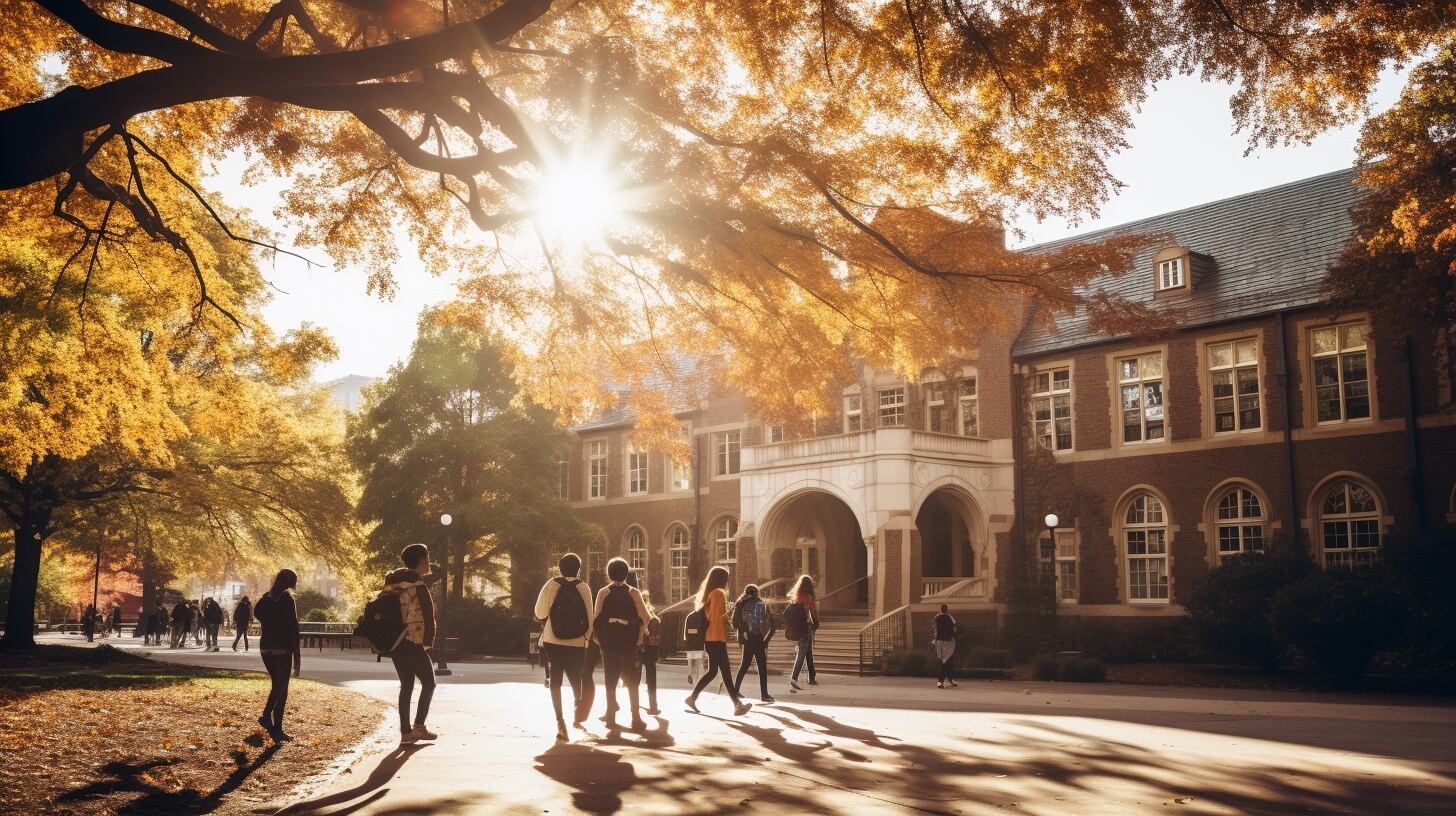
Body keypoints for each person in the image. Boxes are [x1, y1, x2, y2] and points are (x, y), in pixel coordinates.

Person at [533, 552, 595, 742]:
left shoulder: (552, 584)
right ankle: (578, 705)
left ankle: (560, 722)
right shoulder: (584, 587)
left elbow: (539, 611)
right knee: (576, 676)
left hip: (554, 638)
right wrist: (585, 638)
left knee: (556, 680)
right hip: (577, 641)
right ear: (579, 569)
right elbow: (590, 618)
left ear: (560, 568)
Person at [381, 543, 439, 743]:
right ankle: (419, 726)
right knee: (429, 683)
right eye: (427, 557)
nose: (429, 561)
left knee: (406, 684)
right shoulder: (418, 585)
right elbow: (429, 614)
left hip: (395, 641)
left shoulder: (391, 585)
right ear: (422, 560)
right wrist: (428, 642)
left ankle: (406, 732)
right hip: (413, 640)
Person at [685, 566, 752, 717]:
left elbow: (711, 617)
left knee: (713, 671)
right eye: (727, 578)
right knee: (726, 673)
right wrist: (726, 622)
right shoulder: (719, 593)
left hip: (710, 639)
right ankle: (737, 705)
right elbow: (716, 619)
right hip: (716, 639)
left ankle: (692, 698)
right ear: (722, 579)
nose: (728, 581)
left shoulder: (710, 593)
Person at [593, 558, 651, 731]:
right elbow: (645, 617)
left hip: (609, 643)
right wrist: (645, 632)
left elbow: (596, 619)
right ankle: (636, 717)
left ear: (609, 574)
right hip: (629, 643)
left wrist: (599, 641)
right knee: (632, 681)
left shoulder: (603, 593)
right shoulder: (634, 593)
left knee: (610, 679)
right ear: (627, 574)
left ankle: (610, 714)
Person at [254, 569, 301, 741]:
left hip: (266, 646)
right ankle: (268, 718)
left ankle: (276, 730)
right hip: (282, 648)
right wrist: (297, 652)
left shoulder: (267, 597)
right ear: (291, 582)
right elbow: (293, 626)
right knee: (282, 687)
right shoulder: (287, 598)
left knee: (278, 685)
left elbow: (257, 612)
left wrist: (269, 623)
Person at [732, 584, 775, 703]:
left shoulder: (741, 604)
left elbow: (736, 623)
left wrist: (741, 637)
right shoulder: (760, 603)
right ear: (756, 593)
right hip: (758, 638)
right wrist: (766, 640)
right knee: (762, 667)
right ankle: (764, 694)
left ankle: (735, 691)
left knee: (744, 666)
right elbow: (764, 624)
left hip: (747, 639)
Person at [629, 574, 661, 715]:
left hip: (636, 646)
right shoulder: (650, 612)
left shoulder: (630, 606)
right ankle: (653, 704)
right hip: (648, 648)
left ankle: (634, 704)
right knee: (650, 675)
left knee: (635, 676)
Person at [786, 574, 819, 691]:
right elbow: (813, 613)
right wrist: (816, 625)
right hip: (806, 628)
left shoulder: (796, 596)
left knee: (808, 651)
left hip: (798, 628)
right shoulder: (808, 598)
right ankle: (793, 678)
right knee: (802, 652)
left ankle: (812, 676)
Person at [933, 603, 958, 689]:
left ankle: (950, 680)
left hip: (940, 643)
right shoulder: (950, 618)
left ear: (940, 609)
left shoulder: (937, 618)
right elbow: (954, 628)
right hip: (949, 643)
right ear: (947, 610)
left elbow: (935, 630)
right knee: (947, 662)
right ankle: (940, 681)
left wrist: (935, 640)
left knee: (947, 662)